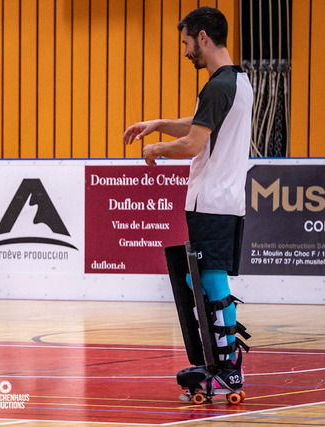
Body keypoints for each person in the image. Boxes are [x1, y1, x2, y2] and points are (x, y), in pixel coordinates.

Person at [122, 7, 253, 385]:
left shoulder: (217, 86)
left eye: (186, 42)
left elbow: (194, 143)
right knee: (204, 282)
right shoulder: (237, 81)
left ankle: (227, 369)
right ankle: (221, 363)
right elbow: (201, 124)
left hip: (210, 200)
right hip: (226, 200)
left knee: (211, 284)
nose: (185, 51)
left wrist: (156, 149)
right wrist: (158, 124)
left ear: (203, 38)